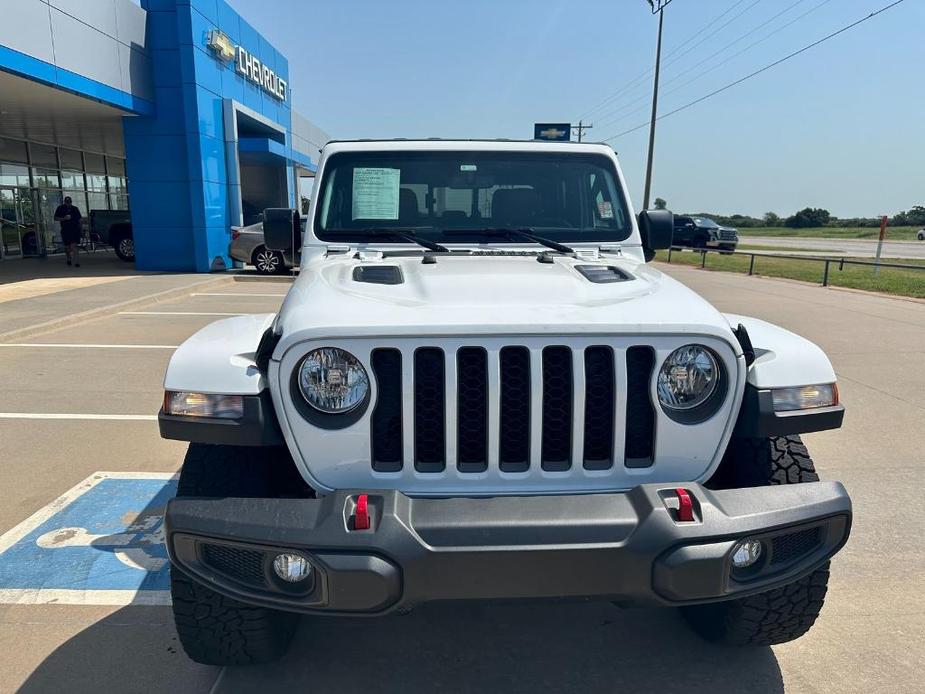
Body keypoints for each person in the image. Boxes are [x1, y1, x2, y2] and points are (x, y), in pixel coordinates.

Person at [54, 196, 82, 267]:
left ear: (71, 202)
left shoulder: (75, 209)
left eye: (69, 202)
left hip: (75, 230)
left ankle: (77, 261)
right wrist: (64, 218)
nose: (68, 204)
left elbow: (79, 219)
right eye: (67, 202)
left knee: (74, 245)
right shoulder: (60, 208)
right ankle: (69, 258)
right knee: (67, 246)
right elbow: (55, 218)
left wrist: (80, 227)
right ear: (64, 202)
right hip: (65, 230)